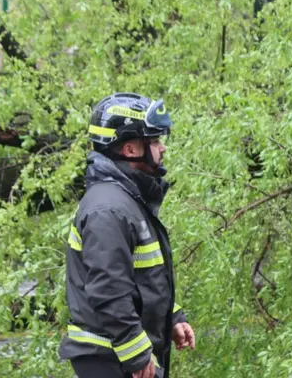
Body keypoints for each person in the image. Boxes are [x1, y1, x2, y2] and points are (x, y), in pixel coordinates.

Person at [59, 93, 196, 378]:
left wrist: (172, 316)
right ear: (131, 148)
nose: (163, 148)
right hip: (110, 359)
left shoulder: (127, 199)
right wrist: (134, 352)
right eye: (155, 140)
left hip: (117, 356)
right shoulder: (108, 209)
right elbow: (110, 288)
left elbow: (142, 278)